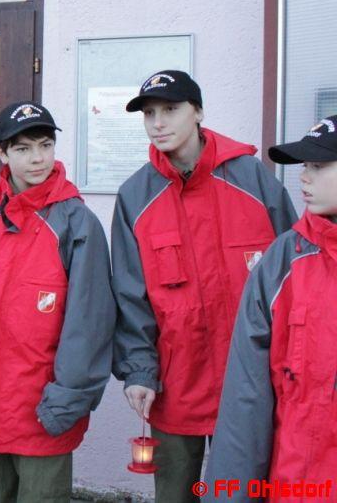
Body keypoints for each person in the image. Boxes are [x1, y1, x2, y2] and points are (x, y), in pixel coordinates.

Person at [111, 70, 296, 501]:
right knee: (175, 493)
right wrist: (139, 371)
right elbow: (130, 296)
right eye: (149, 114)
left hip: (253, 384)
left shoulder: (252, 178)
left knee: (247, 494)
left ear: (198, 112)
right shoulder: (135, 196)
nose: (158, 122)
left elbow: (295, 276)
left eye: (171, 109)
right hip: (177, 387)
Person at [0, 101, 114, 502]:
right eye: (24, 148)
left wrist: (68, 398)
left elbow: (90, 324)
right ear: (2, 153)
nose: (37, 158)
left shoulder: (76, 223)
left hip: (41, 409)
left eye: (45, 145)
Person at [203, 116, 337, 500]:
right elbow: (247, 397)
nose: (304, 179)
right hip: (295, 484)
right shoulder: (283, 260)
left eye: (319, 165)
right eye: (304, 166)